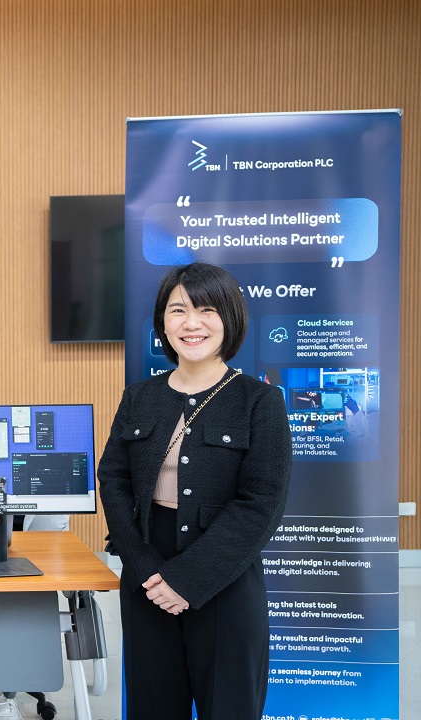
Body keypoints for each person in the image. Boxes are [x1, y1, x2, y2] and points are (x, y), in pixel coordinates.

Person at [98, 262, 292, 720]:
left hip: (225, 576)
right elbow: (114, 480)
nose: (191, 323)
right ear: (163, 323)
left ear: (230, 319)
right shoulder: (139, 397)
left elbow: (261, 503)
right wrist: (144, 567)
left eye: (207, 310)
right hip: (147, 576)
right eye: (178, 310)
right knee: (152, 707)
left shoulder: (259, 401)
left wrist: (187, 580)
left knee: (229, 707)